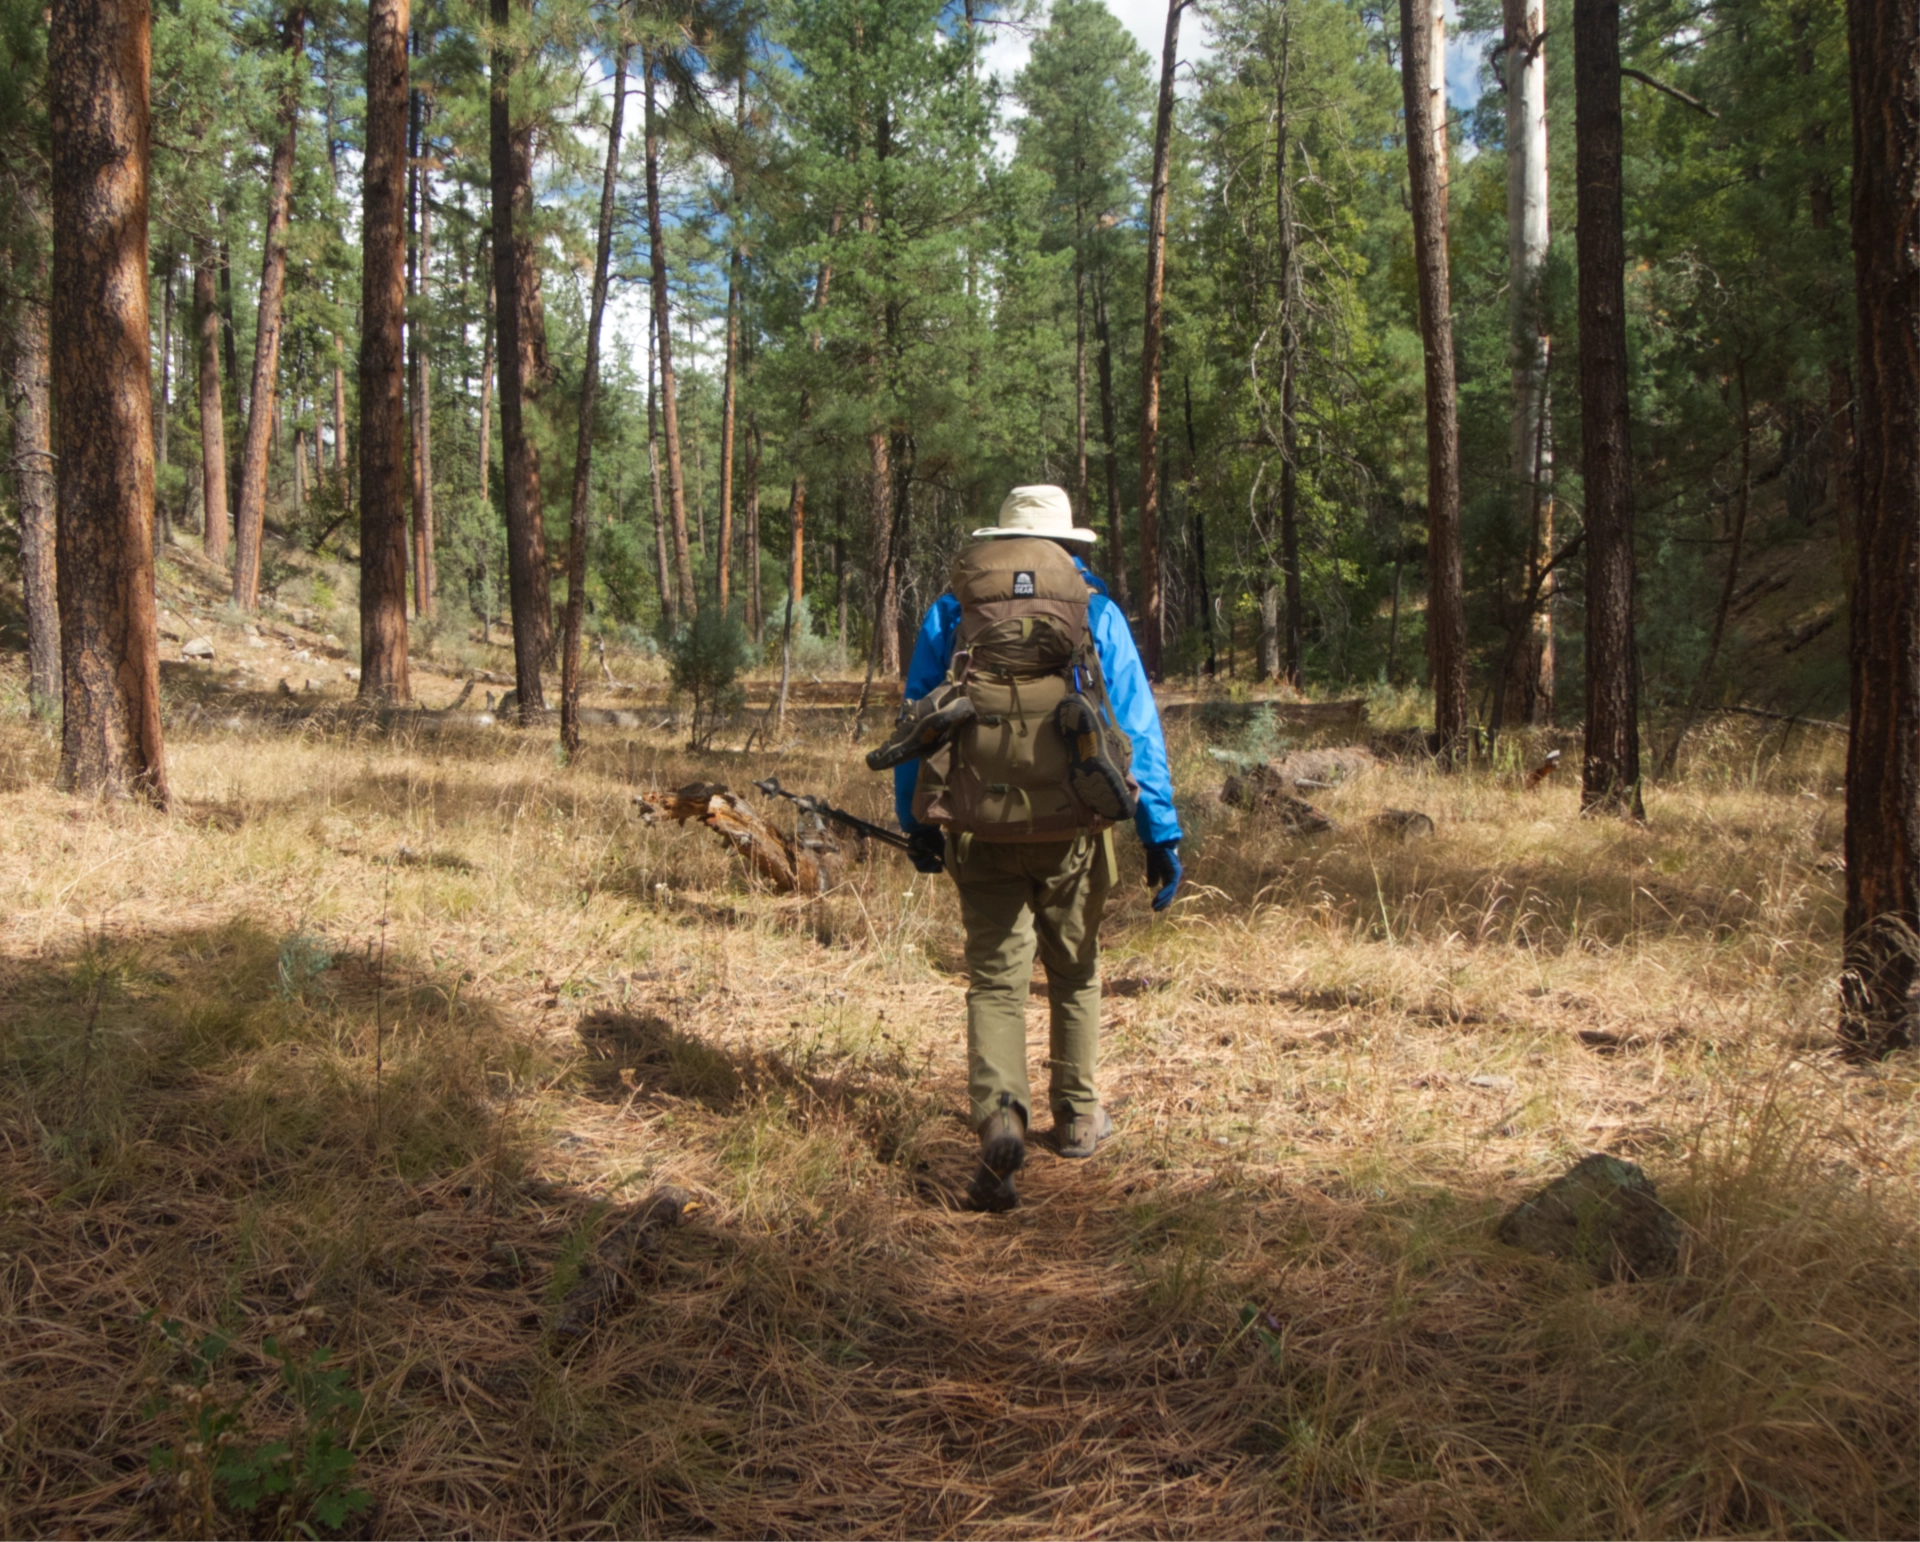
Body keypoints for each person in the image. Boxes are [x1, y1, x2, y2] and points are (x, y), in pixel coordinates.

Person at [887, 485, 1183, 1211]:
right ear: (1070, 544)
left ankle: (1000, 1120)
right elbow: (1137, 728)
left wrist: (917, 818)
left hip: (979, 824)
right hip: (1076, 828)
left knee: (995, 982)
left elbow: (917, 721)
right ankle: (1078, 1117)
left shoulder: (956, 608)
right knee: (1075, 973)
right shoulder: (1096, 609)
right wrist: (1160, 832)